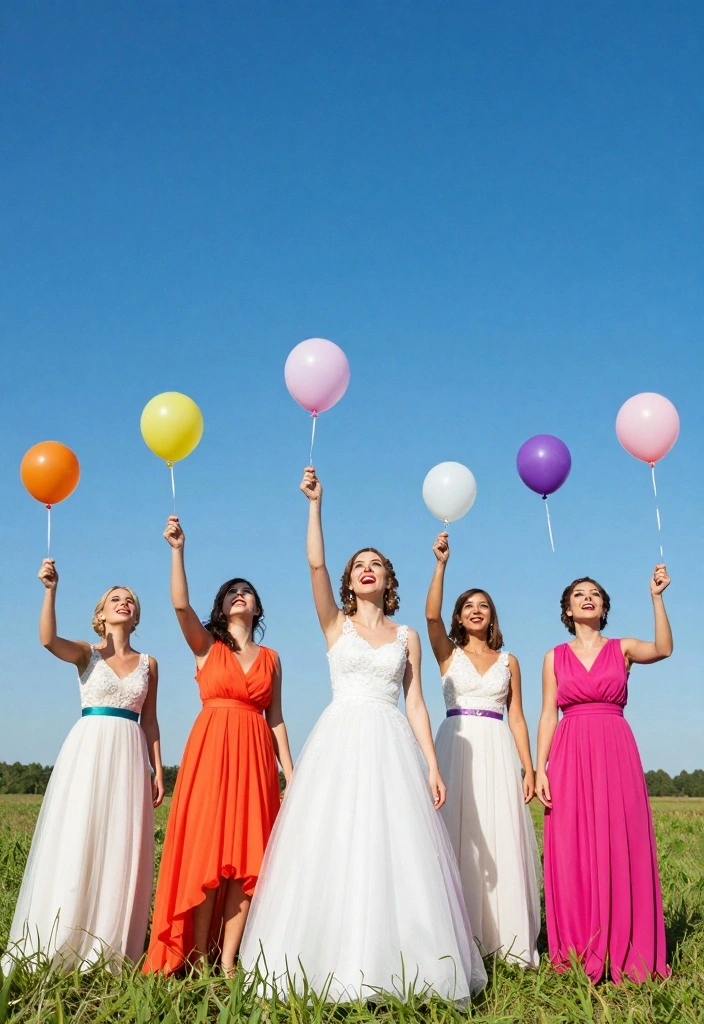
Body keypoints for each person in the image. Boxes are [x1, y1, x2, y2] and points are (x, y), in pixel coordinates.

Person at [239, 469, 487, 1004]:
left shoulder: (407, 636)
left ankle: (400, 963)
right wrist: (315, 505)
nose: (366, 570)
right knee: (333, 841)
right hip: (341, 738)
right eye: (359, 566)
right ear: (350, 582)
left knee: (395, 848)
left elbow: (416, 702)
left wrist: (432, 763)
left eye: (376, 564)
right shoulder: (335, 624)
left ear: (388, 579)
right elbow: (315, 563)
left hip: (391, 740)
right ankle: (321, 959)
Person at [143, 516, 293, 976]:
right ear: (222, 606)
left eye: (247, 591)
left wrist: (291, 769)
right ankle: (201, 956)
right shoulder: (207, 646)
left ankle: (228, 959)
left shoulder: (272, 659)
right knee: (209, 854)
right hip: (211, 753)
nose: (240, 594)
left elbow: (276, 718)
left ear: (258, 607)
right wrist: (177, 550)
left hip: (255, 758)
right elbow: (180, 606)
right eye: (232, 591)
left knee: (250, 862)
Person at [2, 560, 162, 974]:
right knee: (81, 832)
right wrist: (50, 590)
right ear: (101, 614)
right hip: (89, 749)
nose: (123, 603)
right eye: (115, 599)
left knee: (120, 840)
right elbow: (46, 640)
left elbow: (150, 720)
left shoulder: (150, 664)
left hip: (129, 753)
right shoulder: (85, 654)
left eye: (130, 600)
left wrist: (156, 769)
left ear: (136, 615)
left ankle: (108, 943)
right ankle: (62, 932)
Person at [536, 565, 673, 983]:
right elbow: (547, 713)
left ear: (603, 606)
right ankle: (580, 945)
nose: (587, 597)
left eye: (594, 593)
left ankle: (628, 946)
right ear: (568, 609)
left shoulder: (624, 648)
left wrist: (656, 598)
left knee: (620, 839)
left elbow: (664, 649)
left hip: (615, 748)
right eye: (579, 594)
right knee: (572, 843)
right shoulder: (553, 656)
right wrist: (539, 768)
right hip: (569, 750)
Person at [425, 532, 540, 967]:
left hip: (496, 749)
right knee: (454, 838)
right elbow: (430, 616)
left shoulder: (509, 661)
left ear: (492, 616)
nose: (476, 611)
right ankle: (454, 937)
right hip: (456, 746)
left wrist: (529, 767)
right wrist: (441, 564)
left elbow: (517, 718)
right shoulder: (445, 653)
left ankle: (502, 938)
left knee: (498, 836)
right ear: (459, 616)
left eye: (483, 605)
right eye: (468, 606)